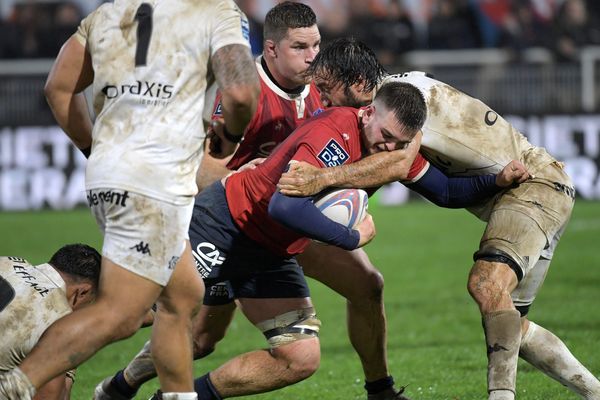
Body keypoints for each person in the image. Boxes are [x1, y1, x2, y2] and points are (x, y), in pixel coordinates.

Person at [277, 37, 600, 400]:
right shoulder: (387, 113)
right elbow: (444, 192)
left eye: (326, 89)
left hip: (535, 183)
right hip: (521, 190)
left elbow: (396, 163)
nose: (322, 99)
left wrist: (320, 179)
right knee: (512, 327)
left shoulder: (405, 99)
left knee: (486, 285)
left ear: (356, 83)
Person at [0, 1, 260, 400]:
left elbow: (58, 87)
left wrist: (95, 148)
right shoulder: (217, 12)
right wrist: (232, 133)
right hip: (155, 178)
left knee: (183, 295)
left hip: (112, 170)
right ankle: (12, 389)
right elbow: (242, 95)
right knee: (121, 315)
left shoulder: (106, 13)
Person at [0, 244, 101, 400]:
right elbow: (51, 397)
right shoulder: (58, 317)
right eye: (91, 302)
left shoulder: (7, 262)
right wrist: (70, 357)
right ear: (82, 292)